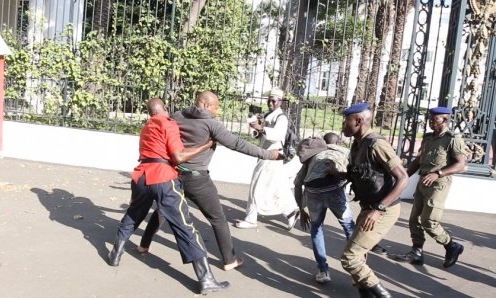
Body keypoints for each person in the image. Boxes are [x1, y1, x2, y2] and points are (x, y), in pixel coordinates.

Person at [137, 91, 282, 271]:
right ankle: (229, 260)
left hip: (173, 173)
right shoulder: (212, 124)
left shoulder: (177, 116)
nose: (217, 111)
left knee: (163, 210)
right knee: (218, 218)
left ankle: (144, 244)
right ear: (206, 105)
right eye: (215, 107)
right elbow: (238, 144)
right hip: (198, 180)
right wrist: (270, 155)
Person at [107, 98, 229, 295]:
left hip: (140, 177)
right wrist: (206, 146)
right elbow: (179, 157)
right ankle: (206, 280)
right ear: (165, 109)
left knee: (133, 215)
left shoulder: (146, 127)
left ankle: (115, 253)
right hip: (162, 178)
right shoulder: (168, 123)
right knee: (185, 226)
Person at [336, 103, 409, 297]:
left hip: (382, 209)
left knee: (350, 258)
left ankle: (384, 295)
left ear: (358, 121)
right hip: (367, 207)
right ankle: (366, 294)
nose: (343, 125)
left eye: (346, 121)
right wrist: (339, 174)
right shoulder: (358, 144)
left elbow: (403, 178)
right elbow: (364, 173)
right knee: (359, 254)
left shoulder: (377, 144)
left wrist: (379, 210)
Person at [389, 107, 467, 268]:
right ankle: (417, 252)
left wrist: (438, 174)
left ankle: (452, 246)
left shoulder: (452, 139)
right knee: (414, 220)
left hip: (438, 183)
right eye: (430, 118)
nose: (430, 122)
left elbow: (460, 164)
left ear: (445, 120)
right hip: (423, 181)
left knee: (429, 221)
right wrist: (403, 177)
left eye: (435, 119)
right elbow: (418, 161)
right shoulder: (428, 138)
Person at [235, 87, 300, 229]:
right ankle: (291, 211)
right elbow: (260, 136)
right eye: (269, 100)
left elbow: (277, 135)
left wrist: (261, 128)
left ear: (280, 102)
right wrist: (256, 128)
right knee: (275, 186)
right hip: (265, 154)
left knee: (257, 185)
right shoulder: (268, 115)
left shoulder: (281, 118)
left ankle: (251, 218)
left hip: (274, 155)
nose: (270, 103)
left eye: (273, 101)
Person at [293, 135, 355, 284]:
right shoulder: (344, 152)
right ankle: (357, 271)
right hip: (334, 189)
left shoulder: (311, 159)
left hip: (314, 192)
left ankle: (323, 271)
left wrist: (302, 209)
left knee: (316, 228)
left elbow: (297, 184)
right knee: (349, 227)